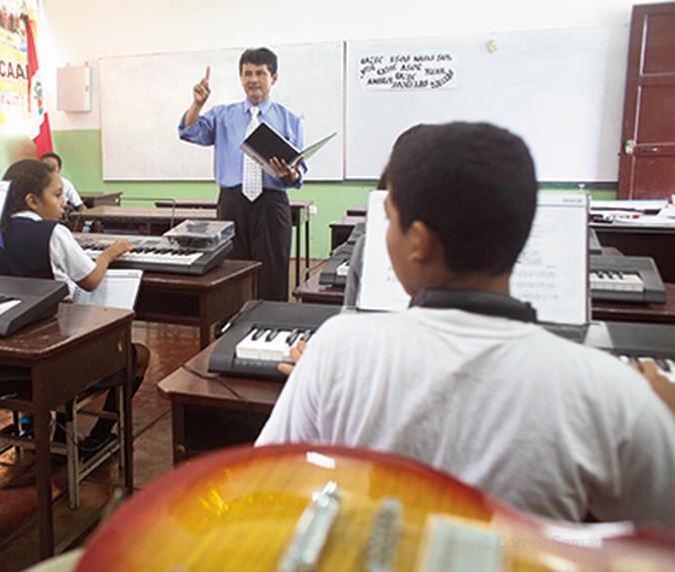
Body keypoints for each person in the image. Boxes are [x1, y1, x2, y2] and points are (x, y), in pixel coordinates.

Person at [256, 122, 675, 525]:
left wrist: (319, 379)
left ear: (418, 242)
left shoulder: (337, 347)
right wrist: (663, 421)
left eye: (389, 220)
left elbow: (264, 480)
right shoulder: (607, 390)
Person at [0, 159, 149, 456]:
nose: (64, 202)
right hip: (56, 357)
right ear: (32, 200)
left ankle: (46, 426)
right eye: (57, 195)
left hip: (10, 353)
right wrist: (108, 254)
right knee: (138, 355)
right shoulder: (52, 232)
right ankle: (97, 437)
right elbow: (90, 280)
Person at [179, 47, 304, 301]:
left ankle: (269, 322)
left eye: (260, 73)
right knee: (230, 274)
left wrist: (289, 174)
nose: (253, 79)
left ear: (274, 78)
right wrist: (198, 104)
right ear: (241, 78)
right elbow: (188, 131)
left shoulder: (289, 119)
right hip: (232, 203)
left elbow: (298, 171)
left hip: (271, 204)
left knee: (272, 274)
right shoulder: (223, 115)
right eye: (247, 73)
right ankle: (232, 322)